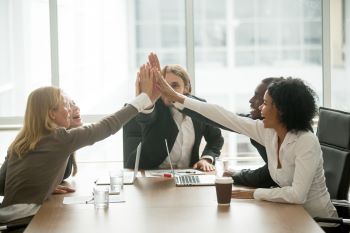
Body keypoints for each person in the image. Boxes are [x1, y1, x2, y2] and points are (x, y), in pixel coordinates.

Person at [157, 75, 337, 218]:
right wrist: (177, 97)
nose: (261, 110)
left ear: (281, 110)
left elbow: (298, 196)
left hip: (318, 223)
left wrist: (254, 194)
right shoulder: (269, 132)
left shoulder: (305, 141)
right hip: (290, 215)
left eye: (266, 104)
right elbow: (223, 116)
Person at [0, 65, 158, 226]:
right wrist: (143, 98)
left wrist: (40, 186)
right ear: (51, 113)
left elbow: (2, 185)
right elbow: (106, 126)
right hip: (25, 224)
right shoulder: (59, 139)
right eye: (65, 104)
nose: (70, 109)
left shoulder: (20, 143)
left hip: (6, 220)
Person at [125, 54, 224, 171]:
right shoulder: (156, 105)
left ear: (186, 89)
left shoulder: (199, 106)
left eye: (174, 86)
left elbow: (216, 139)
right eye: (164, 85)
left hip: (187, 173)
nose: (167, 90)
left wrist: (206, 159)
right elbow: (145, 117)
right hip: (149, 174)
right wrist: (144, 99)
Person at [181, 77, 283, 187]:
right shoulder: (256, 123)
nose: (251, 100)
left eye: (259, 97)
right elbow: (221, 117)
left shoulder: (289, 135)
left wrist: (238, 174)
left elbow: (270, 174)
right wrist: (176, 99)